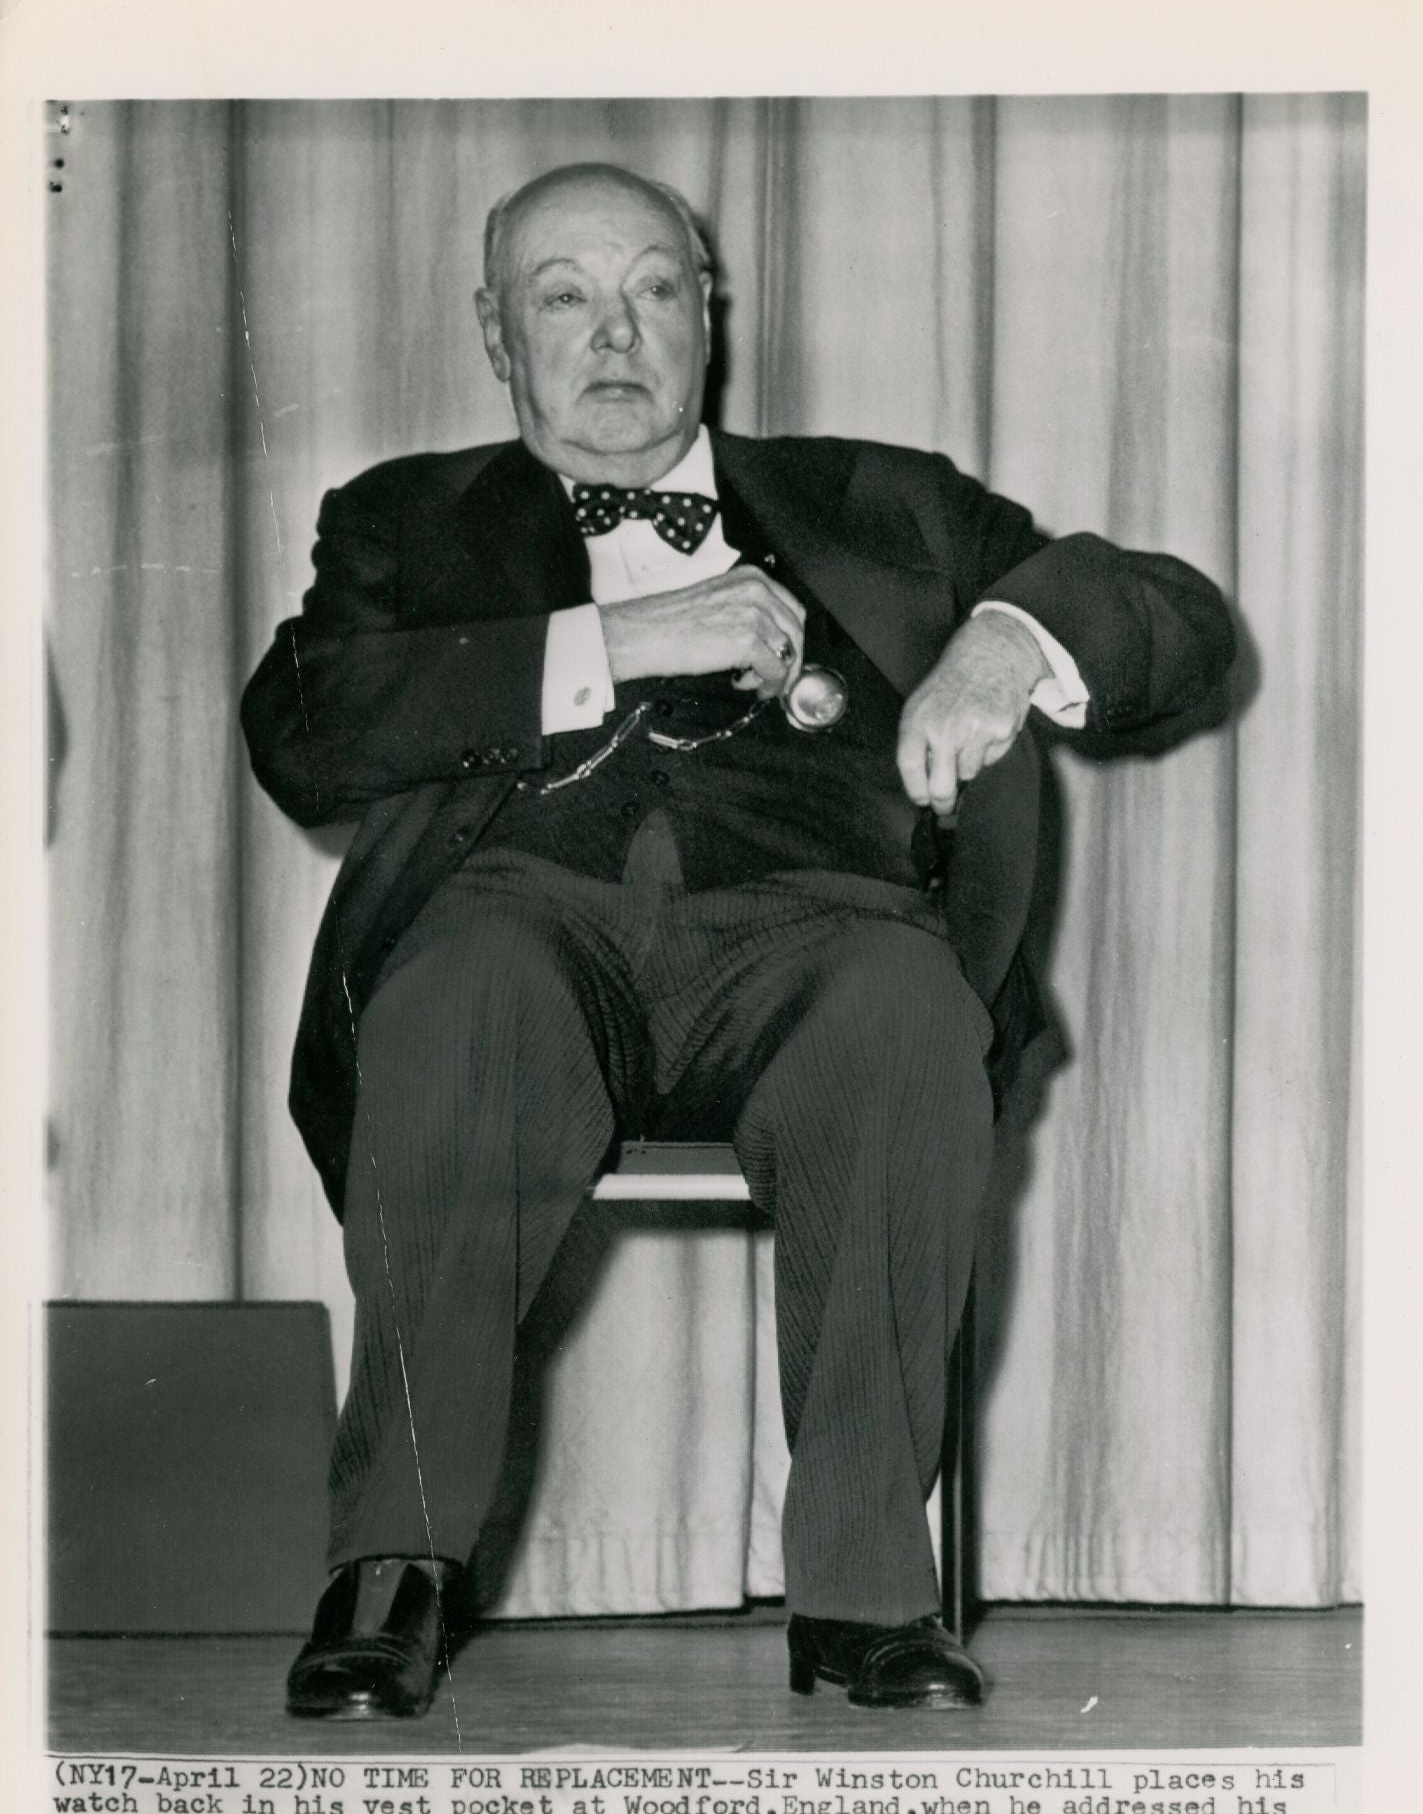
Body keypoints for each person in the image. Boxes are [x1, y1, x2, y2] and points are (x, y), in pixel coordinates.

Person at [242, 161, 1235, 1721]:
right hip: (526, 918)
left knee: (907, 1014)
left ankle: (861, 1592)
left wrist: (1007, 639)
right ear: (497, 335)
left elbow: (1173, 615)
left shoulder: (885, 497)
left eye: (653, 287)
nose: (615, 331)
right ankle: (391, 1573)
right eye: (563, 296)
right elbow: (306, 731)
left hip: (820, 930)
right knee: (462, 995)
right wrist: (615, 641)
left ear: (709, 310)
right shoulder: (403, 517)